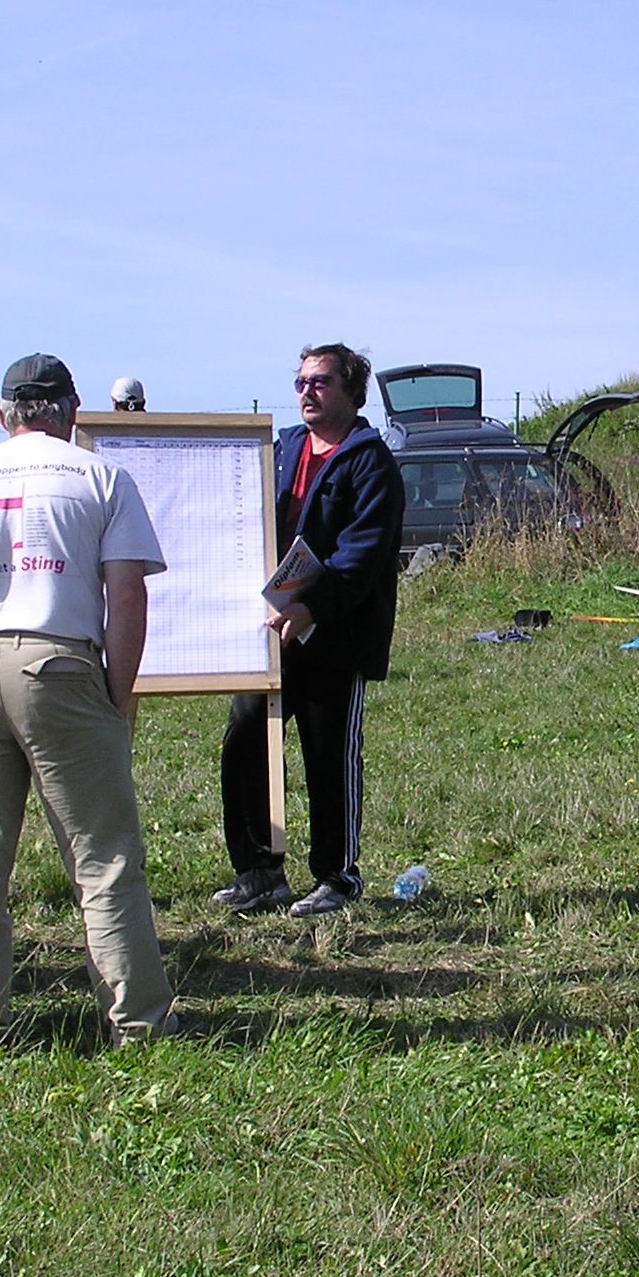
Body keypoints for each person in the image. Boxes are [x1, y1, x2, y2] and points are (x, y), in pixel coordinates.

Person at [0, 353, 175, 1052]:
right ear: (71, 412)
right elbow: (126, 592)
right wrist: (116, 694)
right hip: (60, 660)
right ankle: (137, 1018)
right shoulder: (99, 477)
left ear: (3, 415)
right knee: (103, 854)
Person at [216, 342, 405, 920]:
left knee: (328, 757)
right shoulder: (283, 449)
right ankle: (260, 871)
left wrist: (311, 607)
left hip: (335, 636)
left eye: (321, 382)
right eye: (301, 382)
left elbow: (362, 556)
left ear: (353, 392)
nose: (307, 391)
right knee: (245, 740)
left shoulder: (370, 463)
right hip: (269, 633)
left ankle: (336, 877)